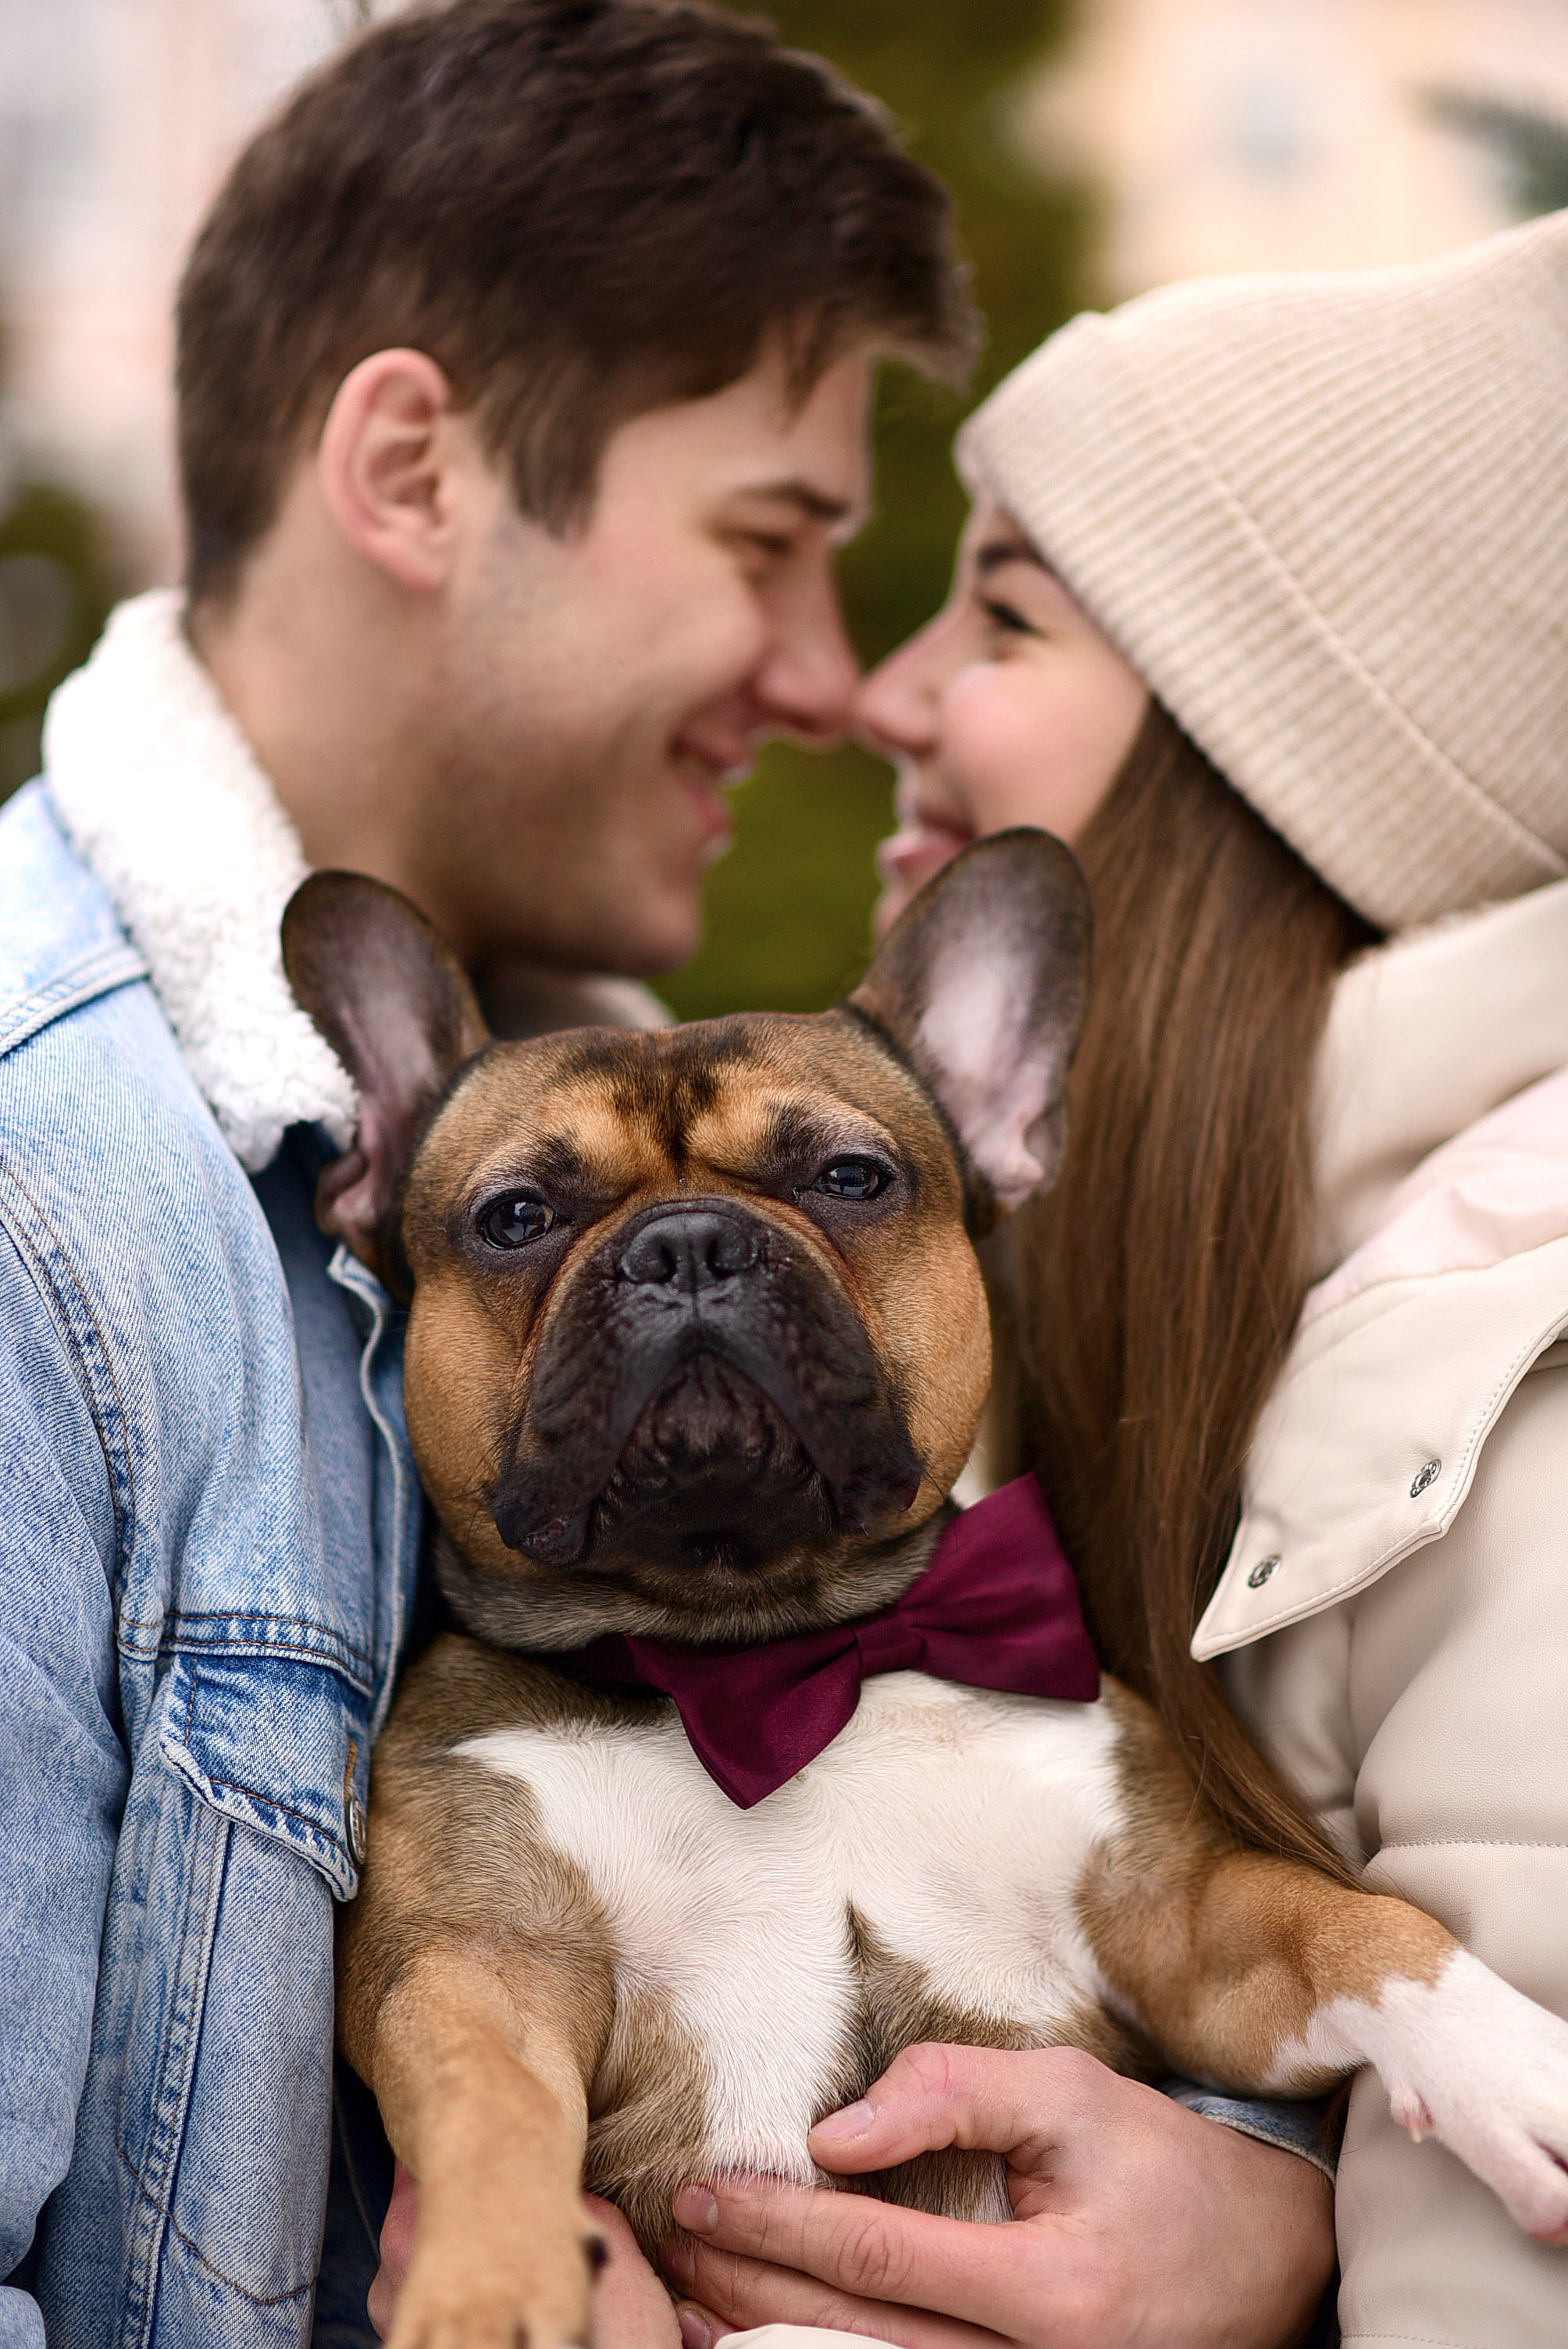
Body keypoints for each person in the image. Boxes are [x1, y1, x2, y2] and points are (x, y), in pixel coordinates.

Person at [0, 4, 975, 2340]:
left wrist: (1253, 2207)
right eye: (772, 542)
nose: (835, 678)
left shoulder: (703, 1152)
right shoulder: (46, 1213)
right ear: (417, 470)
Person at [658, 209, 1568, 2349]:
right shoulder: (1094, 1310)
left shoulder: (1516, 1428)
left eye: (1003, 615)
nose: (884, 687)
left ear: (1273, 776)